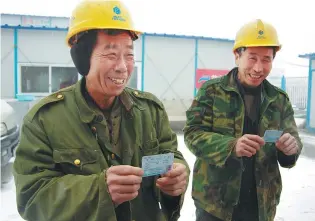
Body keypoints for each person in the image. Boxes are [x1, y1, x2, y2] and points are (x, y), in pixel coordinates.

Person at [13, 1, 190, 220]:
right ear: (82, 59)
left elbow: (170, 156)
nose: (123, 67)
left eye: (129, 55)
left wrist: (177, 175)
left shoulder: (150, 110)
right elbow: (31, 197)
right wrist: (99, 190)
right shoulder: (45, 119)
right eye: (111, 55)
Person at [183, 19, 303, 221]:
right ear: (237, 56)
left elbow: (293, 141)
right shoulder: (211, 92)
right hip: (215, 204)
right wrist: (231, 146)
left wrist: (291, 149)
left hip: (261, 206)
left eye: (266, 59)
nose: (258, 68)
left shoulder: (278, 99)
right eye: (252, 58)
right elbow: (192, 134)